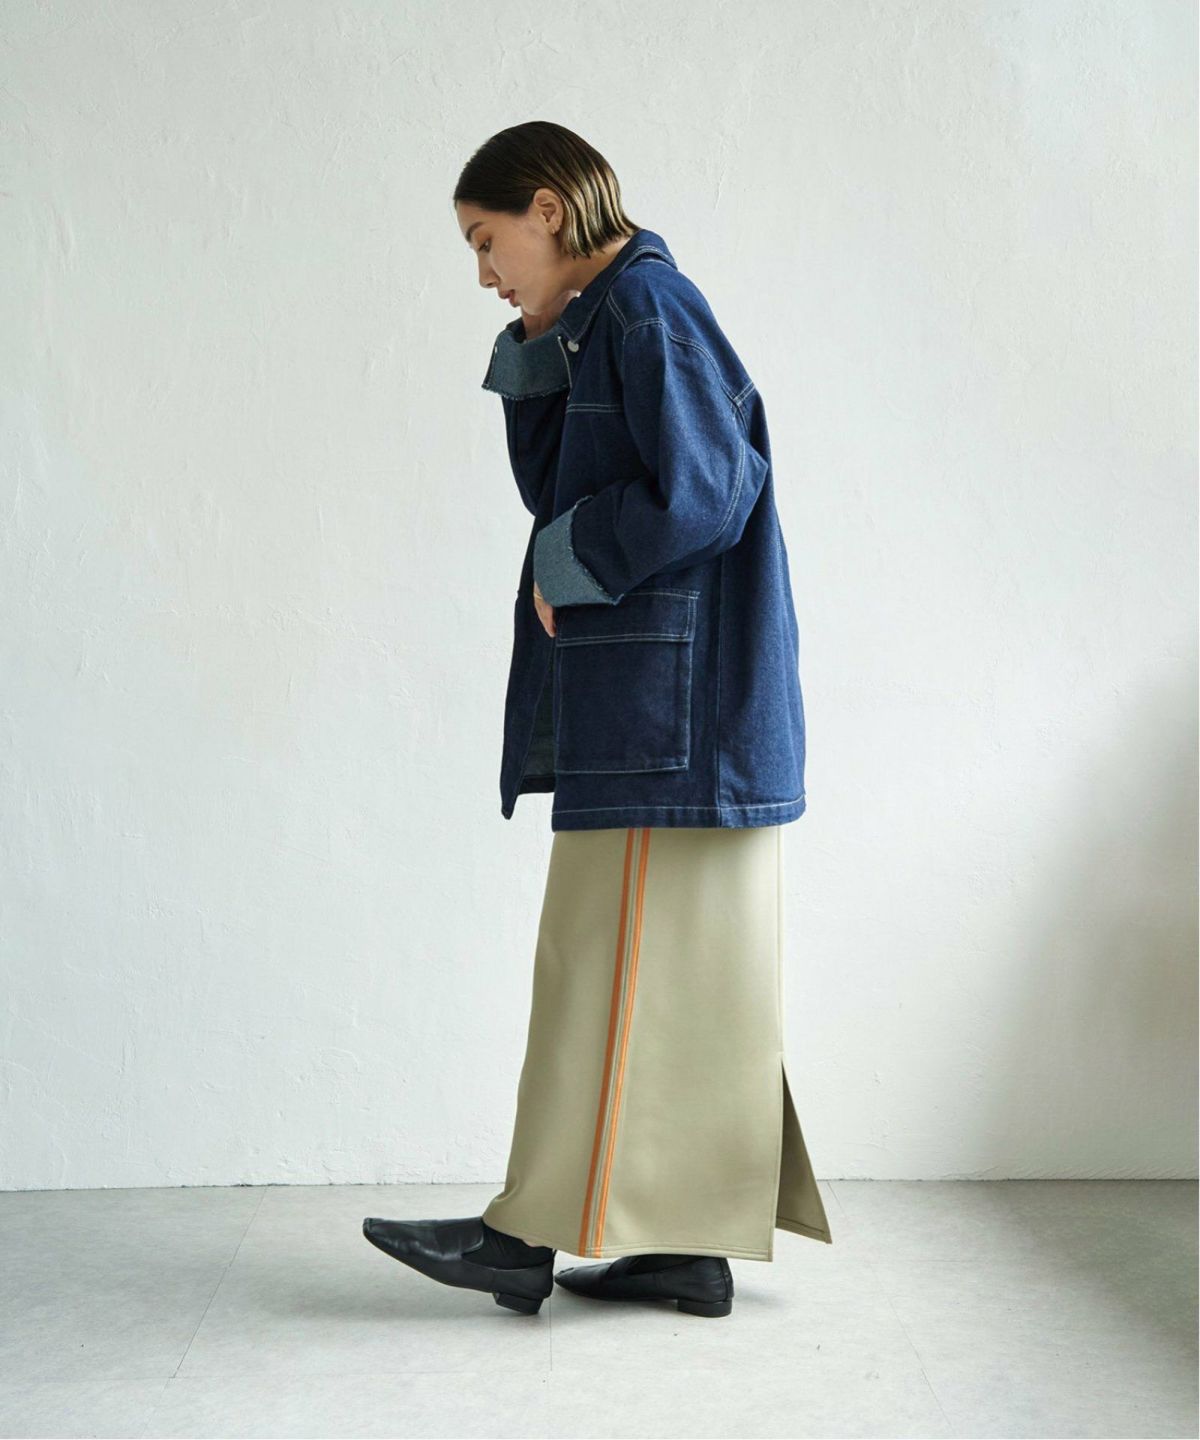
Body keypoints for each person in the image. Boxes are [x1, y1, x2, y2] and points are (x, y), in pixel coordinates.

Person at [363, 121, 832, 1319]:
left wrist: (570, 564)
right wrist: (535, 342)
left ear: (548, 207)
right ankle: (681, 1242)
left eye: (487, 241)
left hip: (674, 720)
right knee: (686, 986)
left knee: (598, 966)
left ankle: (524, 1237)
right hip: (674, 717)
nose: (483, 271)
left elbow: (710, 490)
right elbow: (554, 489)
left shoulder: (647, 310)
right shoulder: (607, 316)